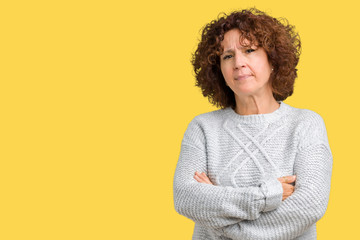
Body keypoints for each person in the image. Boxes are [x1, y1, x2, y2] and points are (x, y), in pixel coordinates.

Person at [173, 8, 333, 240]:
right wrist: (267, 195)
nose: (238, 62)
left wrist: (218, 212)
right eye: (227, 56)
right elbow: (186, 198)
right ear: (219, 71)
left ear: (273, 61)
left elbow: (308, 207)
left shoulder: (306, 125)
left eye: (249, 50)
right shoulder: (202, 128)